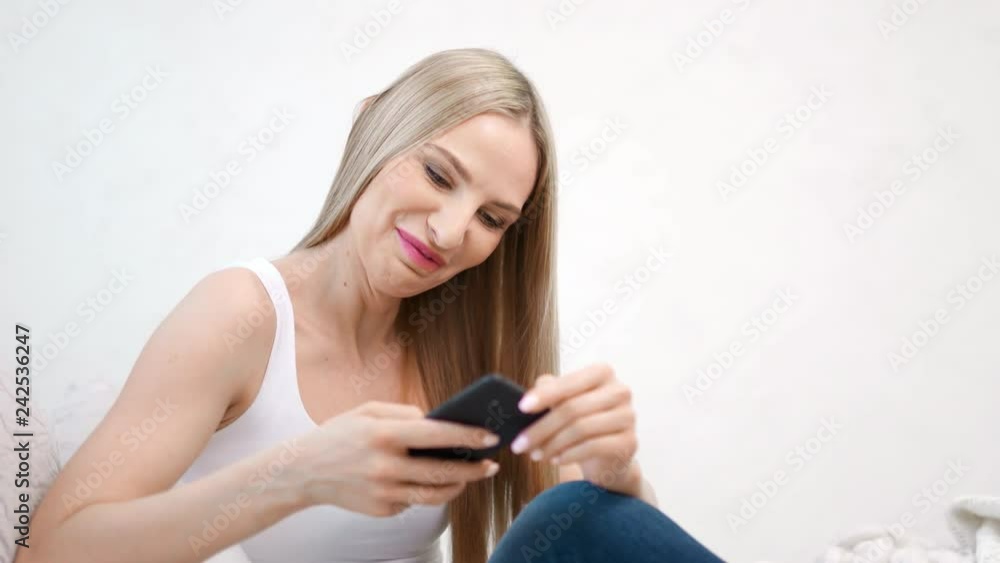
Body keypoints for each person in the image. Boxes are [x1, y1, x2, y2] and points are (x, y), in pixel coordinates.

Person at [14, 48, 725, 563]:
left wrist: (619, 473)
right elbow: (51, 552)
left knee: (583, 510)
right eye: (438, 173)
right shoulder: (242, 315)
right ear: (371, 129)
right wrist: (301, 473)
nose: (450, 232)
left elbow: (594, 543)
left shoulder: (465, 350)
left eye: (491, 219)